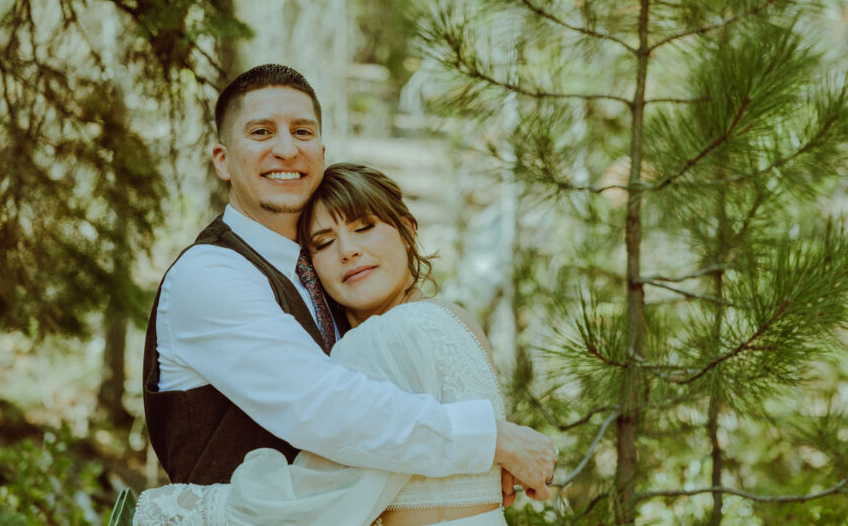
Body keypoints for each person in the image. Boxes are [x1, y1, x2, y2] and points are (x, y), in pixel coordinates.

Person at [142, 65, 555, 502]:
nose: (286, 149)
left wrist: (475, 472)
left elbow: (388, 395)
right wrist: (487, 442)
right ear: (222, 160)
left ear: (320, 151)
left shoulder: (328, 274)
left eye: (302, 132)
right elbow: (321, 405)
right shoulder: (210, 275)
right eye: (261, 132)